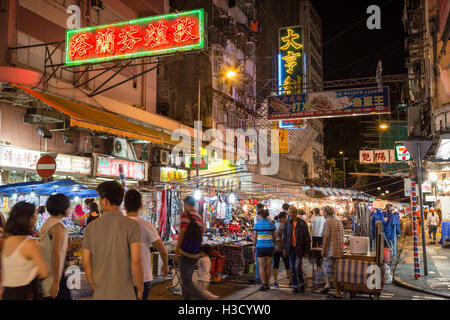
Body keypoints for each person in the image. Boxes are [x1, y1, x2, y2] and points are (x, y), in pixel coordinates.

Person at [82, 181, 143, 300]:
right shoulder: (132, 225)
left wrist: (94, 287)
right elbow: (136, 261)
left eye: (100, 199)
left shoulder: (90, 228)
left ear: (105, 201)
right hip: (126, 293)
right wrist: (140, 289)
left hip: (100, 293)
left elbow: (86, 262)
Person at [124, 189, 169, 300]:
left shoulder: (117, 225)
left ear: (124, 206)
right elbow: (163, 250)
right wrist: (166, 264)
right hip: (143, 277)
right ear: (141, 205)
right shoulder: (146, 226)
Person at [1, 202, 49, 300]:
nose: (36, 218)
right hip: (24, 293)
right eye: (34, 215)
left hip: (7, 293)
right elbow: (44, 272)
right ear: (28, 219)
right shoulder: (29, 243)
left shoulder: (5, 242)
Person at [174, 196, 209, 300]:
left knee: (186, 281)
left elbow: (182, 233)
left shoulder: (186, 215)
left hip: (185, 252)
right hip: (195, 253)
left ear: (186, 204)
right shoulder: (198, 217)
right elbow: (201, 234)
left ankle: (203, 298)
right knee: (187, 280)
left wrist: (176, 251)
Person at [39, 193, 71, 300]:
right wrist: (56, 282)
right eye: (68, 206)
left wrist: (71, 246)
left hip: (49, 273)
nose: (70, 209)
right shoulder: (57, 226)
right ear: (63, 208)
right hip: (54, 275)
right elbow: (55, 252)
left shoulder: (48, 222)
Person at [283, 207, 311, 294]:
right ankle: (296, 286)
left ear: (294, 213)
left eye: (290, 213)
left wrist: (307, 251)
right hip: (291, 249)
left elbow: (307, 238)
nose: (288, 214)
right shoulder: (288, 222)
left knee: (297, 268)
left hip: (299, 249)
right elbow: (285, 237)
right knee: (292, 269)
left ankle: (301, 284)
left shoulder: (302, 223)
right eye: (288, 213)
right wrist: (284, 248)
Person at [321, 205, 344, 299]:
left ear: (326, 213)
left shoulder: (328, 222)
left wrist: (323, 250)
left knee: (332, 271)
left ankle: (337, 292)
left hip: (331, 250)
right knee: (335, 270)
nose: (322, 214)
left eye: (323, 212)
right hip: (339, 249)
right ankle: (328, 285)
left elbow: (326, 238)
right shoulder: (338, 221)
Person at [253, 209, 276, 291]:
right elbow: (274, 237)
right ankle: (267, 283)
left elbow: (255, 238)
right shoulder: (271, 224)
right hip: (270, 247)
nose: (258, 217)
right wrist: (273, 245)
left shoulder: (257, 225)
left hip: (260, 247)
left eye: (258, 215)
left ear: (260, 215)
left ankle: (263, 285)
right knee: (268, 266)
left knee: (261, 267)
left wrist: (254, 247)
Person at [272, 211, 293, 288]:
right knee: (287, 264)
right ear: (283, 218)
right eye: (286, 217)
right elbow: (284, 238)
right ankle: (291, 281)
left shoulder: (275, 224)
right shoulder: (283, 226)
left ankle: (275, 282)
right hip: (282, 248)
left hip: (276, 247)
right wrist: (284, 248)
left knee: (276, 265)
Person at [250, 203, 265, 285]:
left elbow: (255, 234)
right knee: (264, 263)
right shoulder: (269, 222)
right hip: (268, 245)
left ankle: (259, 278)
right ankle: (263, 280)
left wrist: (253, 245)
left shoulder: (257, 222)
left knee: (259, 262)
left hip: (259, 243)